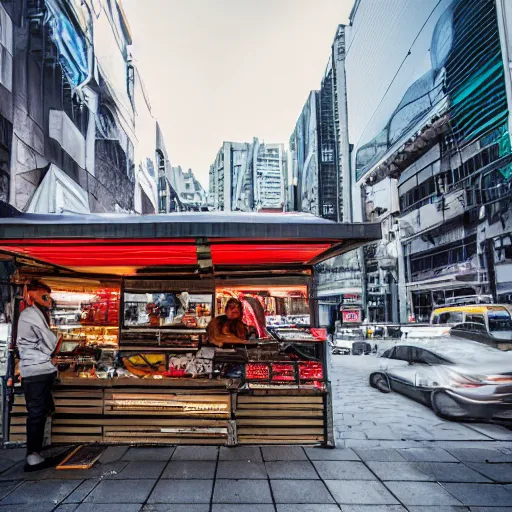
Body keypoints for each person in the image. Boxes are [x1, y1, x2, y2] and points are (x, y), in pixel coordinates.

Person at [17, 281, 62, 472]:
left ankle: (38, 451)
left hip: (40, 370)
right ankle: (33, 456)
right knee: (36, 413)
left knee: (43, 410)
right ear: (32, 295)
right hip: (35, 371)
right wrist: (59, 340)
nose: (48, 300)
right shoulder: (30, 314)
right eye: (45, 296)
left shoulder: (37, 314)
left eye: (48, 296)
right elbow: (51, 342)